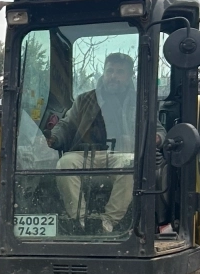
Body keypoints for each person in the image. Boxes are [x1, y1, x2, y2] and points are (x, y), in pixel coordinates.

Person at [46, 51, 137, 232]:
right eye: (110, 71)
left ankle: (107, 223)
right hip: (85, 154)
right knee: (65, 163)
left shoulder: (139, 101)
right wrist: (53, 137)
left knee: (129, 165)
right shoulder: (84, 100)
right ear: (104, 72)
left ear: (129, 76)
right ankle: (79, 221)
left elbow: (157, 130)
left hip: (121, 154)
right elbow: (66, 124)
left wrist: (157, 138)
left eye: (120, 72)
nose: (113, 76)